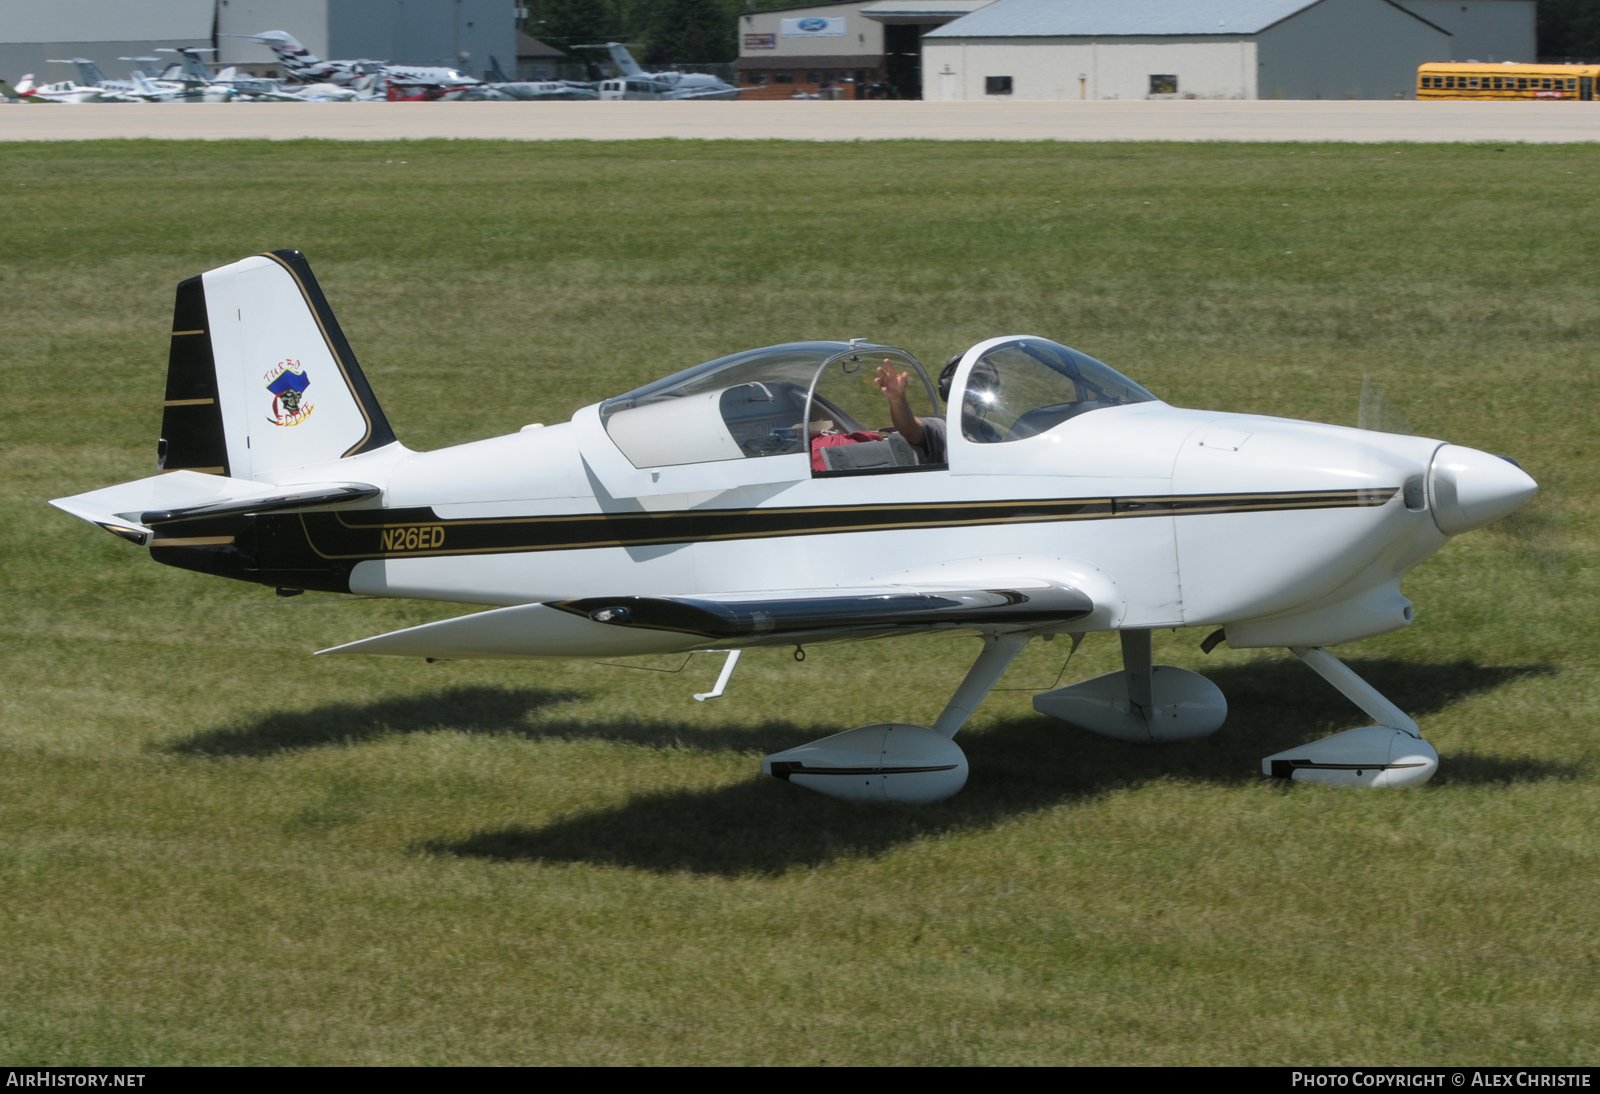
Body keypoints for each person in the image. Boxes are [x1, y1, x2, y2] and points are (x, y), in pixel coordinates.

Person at [874, 354, 999, 464]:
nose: (975, 390)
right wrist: (897, 398)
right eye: (969, 383)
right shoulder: (940, 427)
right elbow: (910, 429)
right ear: (948, 387)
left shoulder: (989, 432)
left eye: (983, 384)